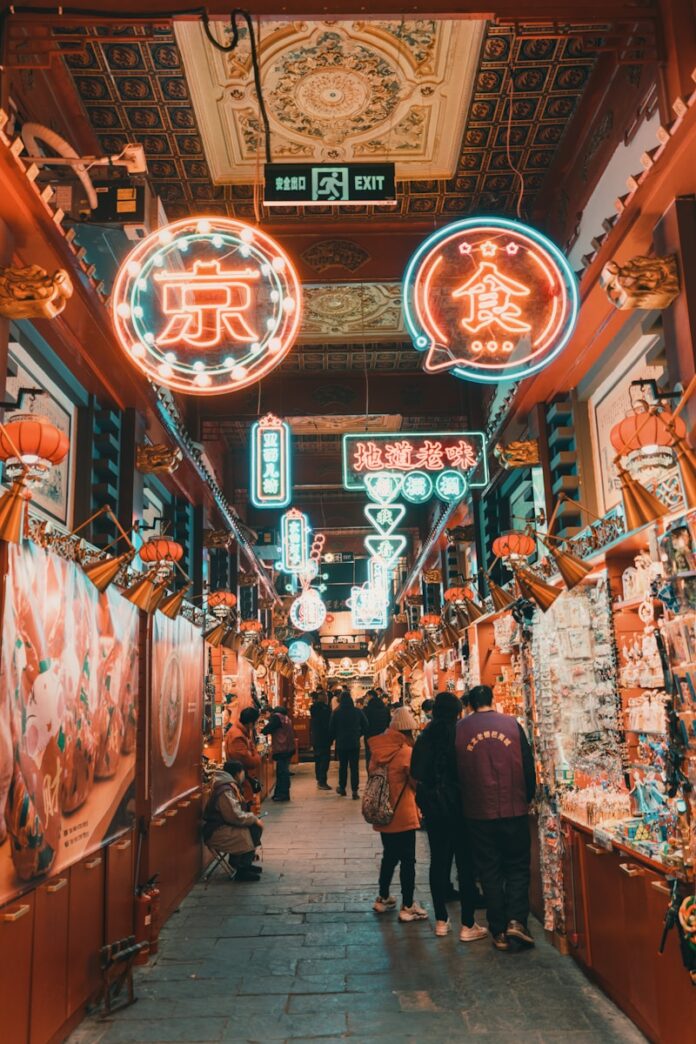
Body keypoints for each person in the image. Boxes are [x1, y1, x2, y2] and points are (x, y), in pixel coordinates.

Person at [455, 684, 536, 951]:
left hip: (477, 812)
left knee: (489, 869)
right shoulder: (512, 725)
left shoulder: (460, 729)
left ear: (470, 703)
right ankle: (517, 921)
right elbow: (527, 764)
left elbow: (455, 772)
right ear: (492, 699)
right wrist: (528, 796)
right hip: (513, 808)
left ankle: (498, 929)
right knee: (517, 866)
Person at [411, 691, 487, 942]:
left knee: (438, 863)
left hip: (435, 810)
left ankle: (441, 921)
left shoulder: (424, 737)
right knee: (464, 865)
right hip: (461, 807)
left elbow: (416, 773)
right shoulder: (462, 735)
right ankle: (468, 924)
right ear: (457, 712)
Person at [368, 706, 427, 922]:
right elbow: (415, 782)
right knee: (408, 860)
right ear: (407, 732)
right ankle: (408, 905)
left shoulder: (377, 751)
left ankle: (382, 898)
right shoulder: (406, 753)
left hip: (383, 811)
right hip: (403, 813)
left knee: (389, 856)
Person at [202, 759, 264, 881]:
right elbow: (234, 816)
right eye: (242, 772)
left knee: (253, 827)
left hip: (222, 826)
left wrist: (252, 819)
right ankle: (242, 870)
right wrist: (253, 818)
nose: (244, 775)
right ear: (237, 774)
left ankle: (244, 864)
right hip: (216, 831)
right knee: (249, 831)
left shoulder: (229, 787)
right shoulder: (225, 790)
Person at [329, 691, 367, 799]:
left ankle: (342, 788)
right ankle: (355, 790)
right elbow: (366, 724)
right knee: (354, 767)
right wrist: (359, 734)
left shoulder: (336, 712)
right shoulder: (357, 711)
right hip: (354, 743)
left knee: (343, 766)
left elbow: (331, 728)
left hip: (341, 743)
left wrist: (334, 738)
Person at [224, 706, 263, 812]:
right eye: (256, 722)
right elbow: (249, 761)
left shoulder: (241, 732)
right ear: (250, 723)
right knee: (245, 807)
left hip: (242, 779)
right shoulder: (238, 736)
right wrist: (256, 755)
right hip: (240, 780)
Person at [262, 705, 296, 802]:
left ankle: (282, 794)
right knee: (283, 772)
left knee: (282, 772)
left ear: (269, 712)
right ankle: (280, 793)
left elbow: (266, 730)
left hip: (282, 749)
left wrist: (262, 731)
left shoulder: (276, 718)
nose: (266, 717)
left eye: (265, 715)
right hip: (288, 748)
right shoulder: (286, 718)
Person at [309, 690, 332, 791]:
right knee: (324, 760)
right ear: (321, 698)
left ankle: (319, 779)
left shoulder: (313, 709)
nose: (327, 698)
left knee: (318, 759)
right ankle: (322, 781)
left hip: (316, 738)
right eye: (325, 696)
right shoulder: (325, 710)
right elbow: (328, 724)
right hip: (324, 738)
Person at [363, 688, 391, 767]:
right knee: (382, 757)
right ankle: (381, 776)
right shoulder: (386, 709)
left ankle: (371, 776)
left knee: (370, 758)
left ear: (370, 696)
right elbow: (388, 723)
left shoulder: (367, 710)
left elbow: (364, 724)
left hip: (370, 737)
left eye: (367, 697)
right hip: (383, 736)